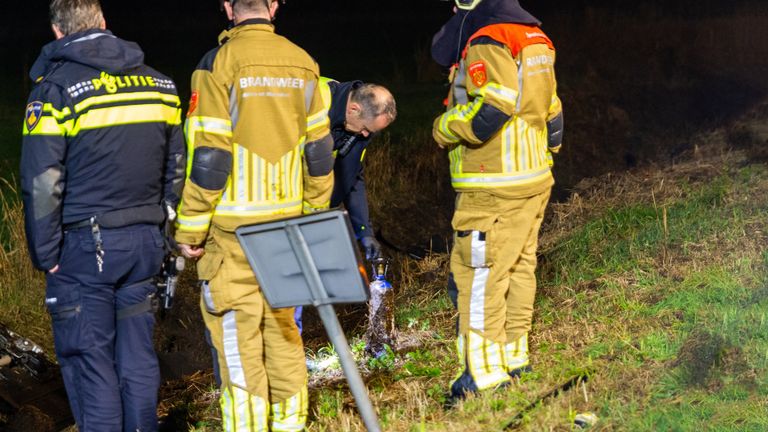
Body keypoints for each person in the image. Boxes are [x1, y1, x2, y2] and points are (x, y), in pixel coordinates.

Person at [20, 0, 186, 430]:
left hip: (83, 251)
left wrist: (46, 254)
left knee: (90, 363)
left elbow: (42, 181)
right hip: (145, 245)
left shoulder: (55, 90)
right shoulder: (161, 85)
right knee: (137, 356)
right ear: (104, 24)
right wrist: (163, 220)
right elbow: (177, 163)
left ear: (57, 32)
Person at [174, 0, 334, 429]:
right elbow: (319, 152)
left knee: (236, 335)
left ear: (227, 7)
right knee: (283, 328)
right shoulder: (304, 62)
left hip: (233, 231)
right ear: (275, 5)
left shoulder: (217, 64)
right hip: (287, 223)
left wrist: (190, 227)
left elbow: (209, 156)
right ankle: (290, 422)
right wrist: (314, 213)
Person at [430, 0, 564, 402]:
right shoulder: (535, 36)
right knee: (520, 266)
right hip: (533, 176)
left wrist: (445, 127)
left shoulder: (489, 39)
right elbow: (552, 109)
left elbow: (494, 108)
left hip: (494, 182)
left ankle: (482, 376)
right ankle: (512, 356)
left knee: (479, 275)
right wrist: (545, 152)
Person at [293, 78, 397, 333]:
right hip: (285, 206)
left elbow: (353, 176)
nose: (365, 135)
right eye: (365, 129)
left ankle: (291, 348)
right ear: (353, 109)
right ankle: (286, 351)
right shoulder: (313, 101)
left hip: (313, 209)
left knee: (300, 281)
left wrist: (365, 232)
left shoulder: (358, 126)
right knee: (290, 280)